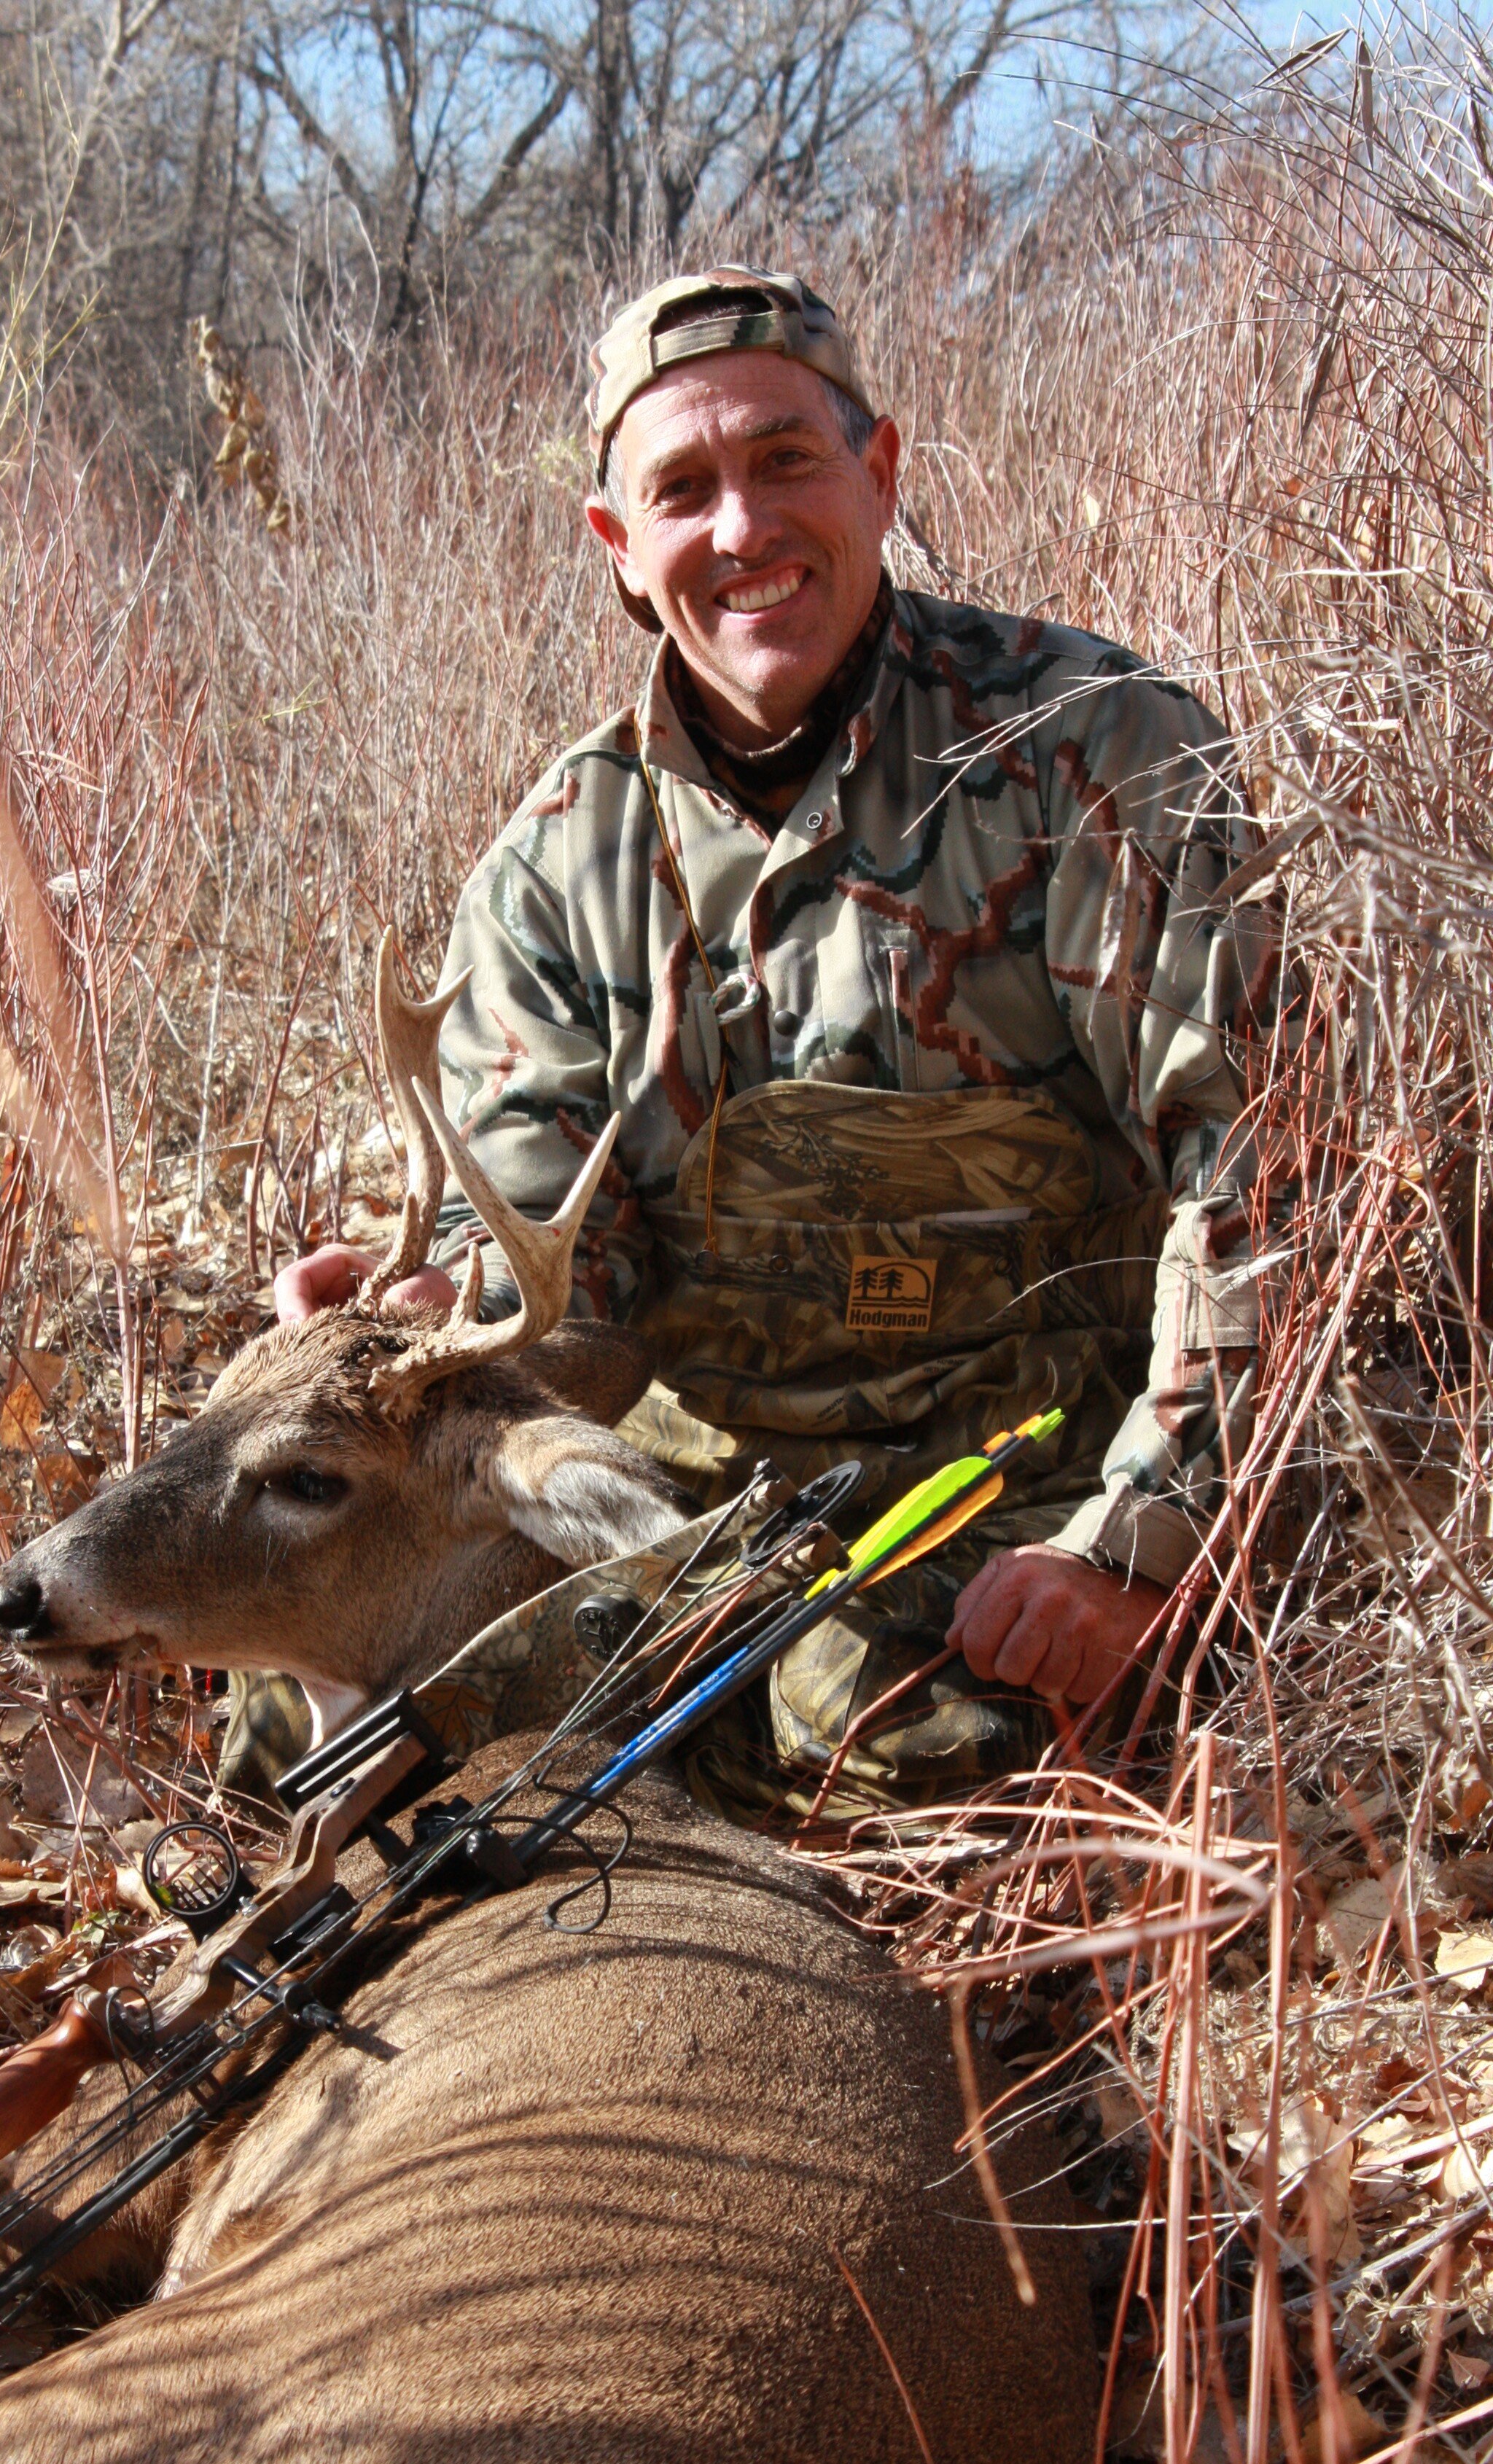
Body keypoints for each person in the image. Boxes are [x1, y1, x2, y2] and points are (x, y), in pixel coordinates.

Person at [276, 267, 1277, 1810]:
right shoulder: (558, 864)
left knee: (909, 1750)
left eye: (786, 462)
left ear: (877, 477)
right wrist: (407, 1354)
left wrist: (1139, 1548)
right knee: (314, 1728)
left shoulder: (1096, 746)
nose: (742, 529)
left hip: (1028, 1462)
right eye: (682, 490)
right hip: (706, 1480)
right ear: (620, 550)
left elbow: (1262, 1177)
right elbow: (570, 1300)